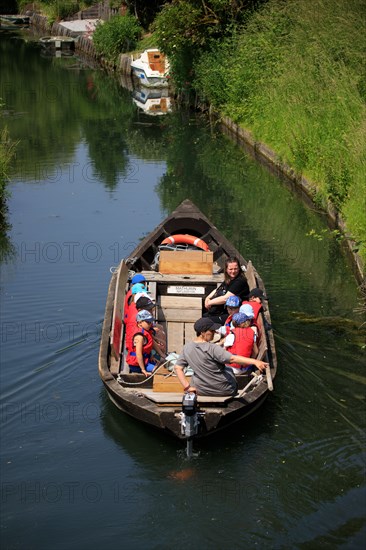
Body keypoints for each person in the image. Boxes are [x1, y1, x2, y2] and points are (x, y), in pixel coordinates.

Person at [174, 318, 269, 396]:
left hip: (200, 391)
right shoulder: (213, 348)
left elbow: (178, 368)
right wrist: (255, 361)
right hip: (225, 390)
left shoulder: (187, 348)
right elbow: (233, 358)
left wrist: (187, 387)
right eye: (211, 330)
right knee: (228, 369)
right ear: (202, 332)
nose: (215, 332)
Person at [204, 257, 249, 324]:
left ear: (239, 268)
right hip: (223, 310)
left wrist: (209, 302)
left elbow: (226, 298)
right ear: (226, 270)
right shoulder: (229, 279)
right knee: (201, 316)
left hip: (233, 313)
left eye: (235, 269)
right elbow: (218, 289)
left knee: (205, 321)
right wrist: (208, 298)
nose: (233, 271)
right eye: (230, 269)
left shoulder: (240, 281)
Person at [126, 310, 162, 376]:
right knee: (160, 370)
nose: (150, 324)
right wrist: (143, 370)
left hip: (146, 360)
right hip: (137, 365)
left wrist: (152, 355)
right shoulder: (139, 337)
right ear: (140, 323)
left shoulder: (146, 331)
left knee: (161, 363)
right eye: (148, 322)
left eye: (151, 321)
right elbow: (139, 354)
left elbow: (151, 344)